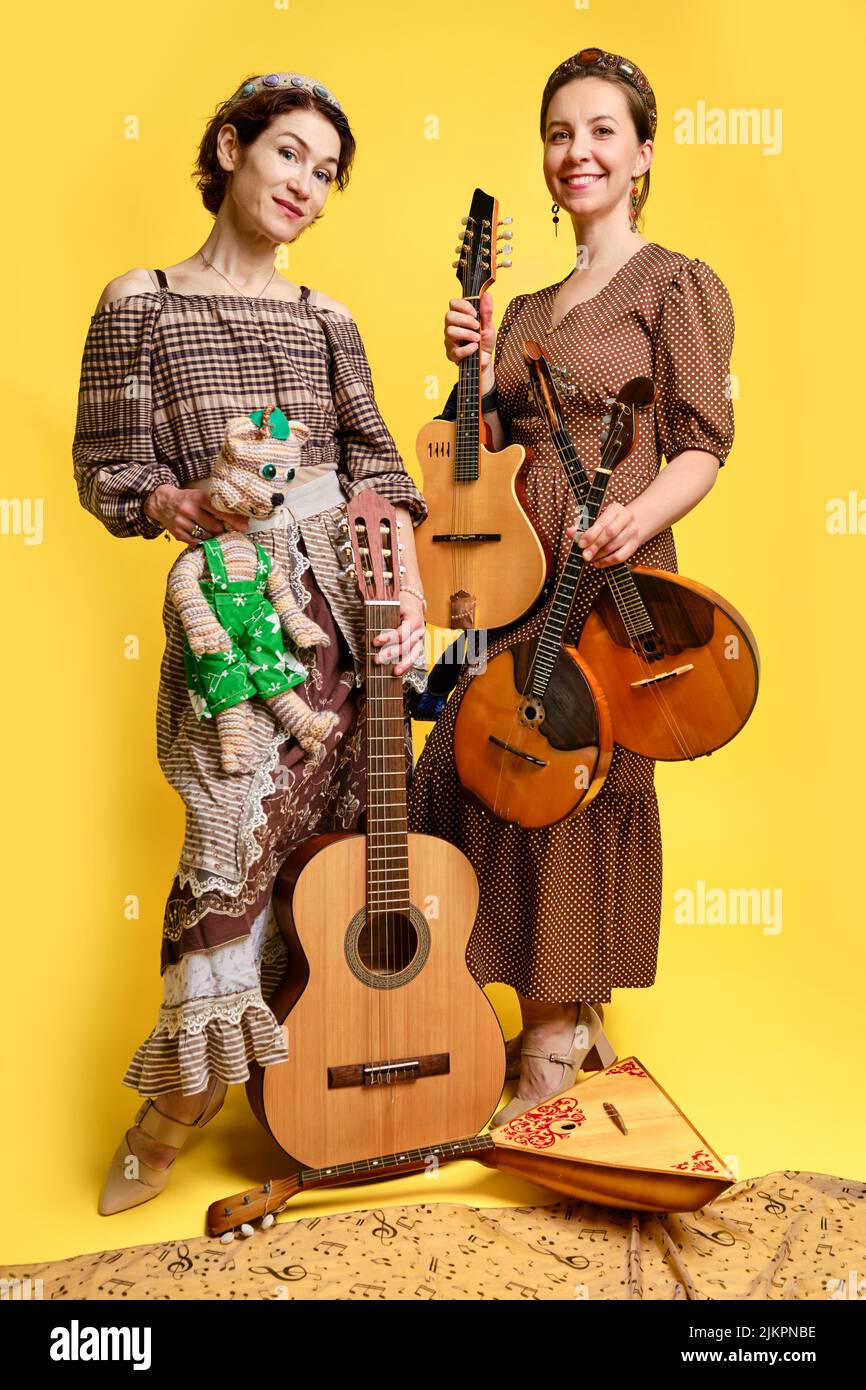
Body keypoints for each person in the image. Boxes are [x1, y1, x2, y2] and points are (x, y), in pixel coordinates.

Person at [71, 72, 429, 1213]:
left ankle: (324, 1086)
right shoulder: (144, 302)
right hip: (234, 609)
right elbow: (108, 474)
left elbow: (379, 469)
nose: (306, 187)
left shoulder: (328, 318)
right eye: (288, 155)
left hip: (352, 608)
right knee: (230, 851)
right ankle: (171, 1111)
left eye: (325, 173)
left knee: (352, 849)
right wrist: (185, 506)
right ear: (229, 148)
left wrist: (405, 589)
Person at [407, 47, 735, 1125]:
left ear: (641, 155)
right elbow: (489, 449)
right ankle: (558, 1011)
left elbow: (700, 440)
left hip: (609, 570)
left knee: (576, 780)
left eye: (600, 131)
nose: (575, 152)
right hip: (508, 568)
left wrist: (638, 517)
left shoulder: (672, 283)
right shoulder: (524, 306)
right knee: (480, 760)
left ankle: (551, 1029)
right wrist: (465, 361)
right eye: (558, 133)